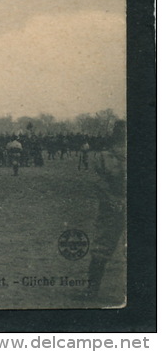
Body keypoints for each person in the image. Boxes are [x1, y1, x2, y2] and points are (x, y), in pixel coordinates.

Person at [83, 120, 126, 301]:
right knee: (103, 247)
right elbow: (99, 182)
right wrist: (113, 200)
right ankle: (92, 290)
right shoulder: (105, 156)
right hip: (114, 205)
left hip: (120, 204)